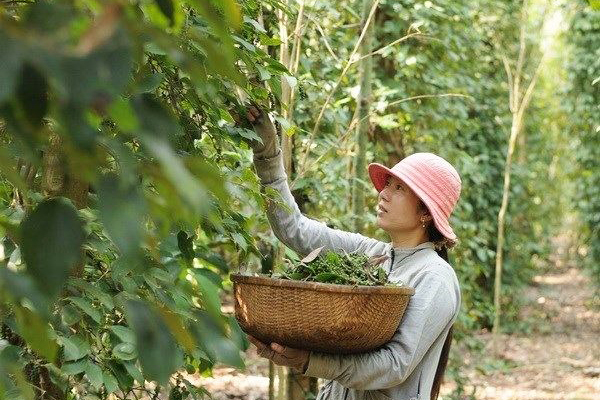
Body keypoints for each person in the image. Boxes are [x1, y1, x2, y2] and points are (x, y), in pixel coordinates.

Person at [241, 105, 462, 400]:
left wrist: (309, 360)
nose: (383, 193)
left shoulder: (435, 277)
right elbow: (293, 228)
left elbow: (394, 366)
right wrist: (268, 156)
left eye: (399, 189)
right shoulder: (367, 253)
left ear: (425, 213)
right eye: (388, 185)